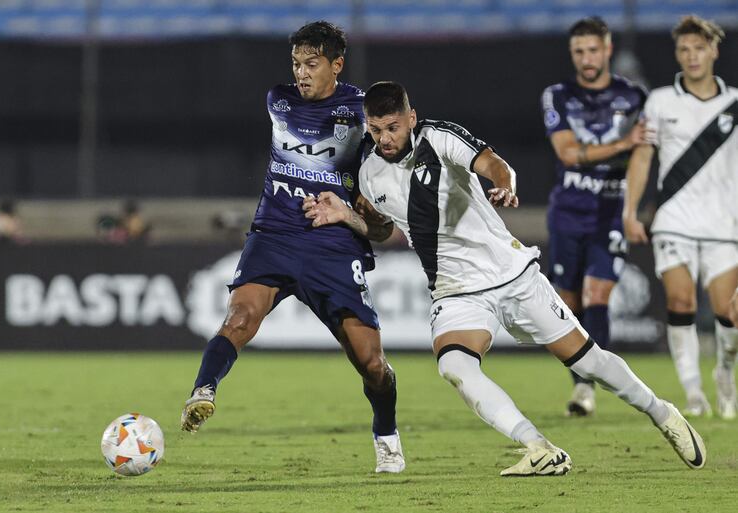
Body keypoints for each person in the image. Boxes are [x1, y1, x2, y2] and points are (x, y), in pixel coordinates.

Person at [305, 81, 706, 476]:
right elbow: (384, 230)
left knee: (590, 363)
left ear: (411, 118)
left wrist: (504, 185)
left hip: (511, 274)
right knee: (454, 366)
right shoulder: (371, 173)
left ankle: (661, 413)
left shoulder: (440, 138)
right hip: (455, 290)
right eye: (375, 130)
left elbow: (495, 164)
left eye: (392, 127)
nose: (384, 138)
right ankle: (538, 447)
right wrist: (349, 217)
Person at [180, 21, 405, 474]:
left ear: (336, 65)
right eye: (296, 64)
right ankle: (203, 391)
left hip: (333, 248)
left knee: (371, 363)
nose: (301, 73)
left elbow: (384, 232)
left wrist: (352, 212)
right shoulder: (277, 100)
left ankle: (386, 433)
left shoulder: (364, 116)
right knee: (240, 317)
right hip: (274, 236)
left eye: (312, 64)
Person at [623, 15, 738, 419]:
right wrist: (630, 210)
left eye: (699, 49)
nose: (692, 57)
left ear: (714, 51)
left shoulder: (734, 104)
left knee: (728, 313)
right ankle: (692, 391)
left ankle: (725, 371)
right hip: (674, 218)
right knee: (680, 299)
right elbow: (642, 156)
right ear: (677, 54)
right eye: (684, 50)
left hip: (725, 223)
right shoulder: (659, 101)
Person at [541, 17, 647, 416]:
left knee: (597, 294)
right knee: (568, 301)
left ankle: (589, 385)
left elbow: (644, 155)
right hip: (568, 212)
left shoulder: (634, 97)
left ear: (607, 50)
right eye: (578, 52)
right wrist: (624, 142)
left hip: (610, 213)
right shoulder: (558, 96)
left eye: (592, 50)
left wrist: (633, 209)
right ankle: (583, 378)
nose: (586, 58)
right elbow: (568, 153)